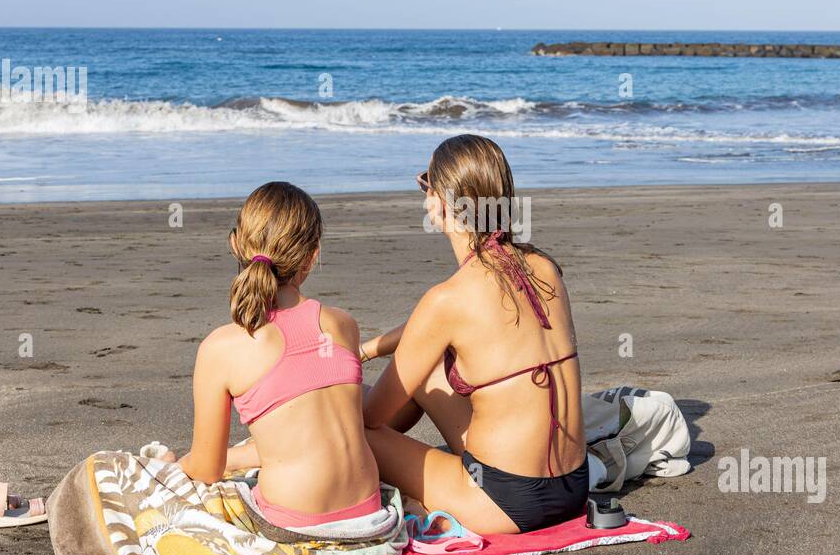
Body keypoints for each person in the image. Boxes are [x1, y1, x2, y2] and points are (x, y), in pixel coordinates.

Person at [359, 134, 587, 534]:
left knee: (352, 433)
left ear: (444, 201)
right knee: (427, 371)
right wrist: (368, 349)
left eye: (426, 182)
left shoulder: (447, 301)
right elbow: (432, 332)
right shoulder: (544, 268)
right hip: (573, 487)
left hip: (506, 502)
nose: (423, 194)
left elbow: (372, 415)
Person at [171, 181, 382, 529]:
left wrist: (175, 466)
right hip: (368, 510)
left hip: (293, 521)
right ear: (313, 256)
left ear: (234, 243)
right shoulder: (343, 324)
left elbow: (206, 470)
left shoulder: (220, 348)